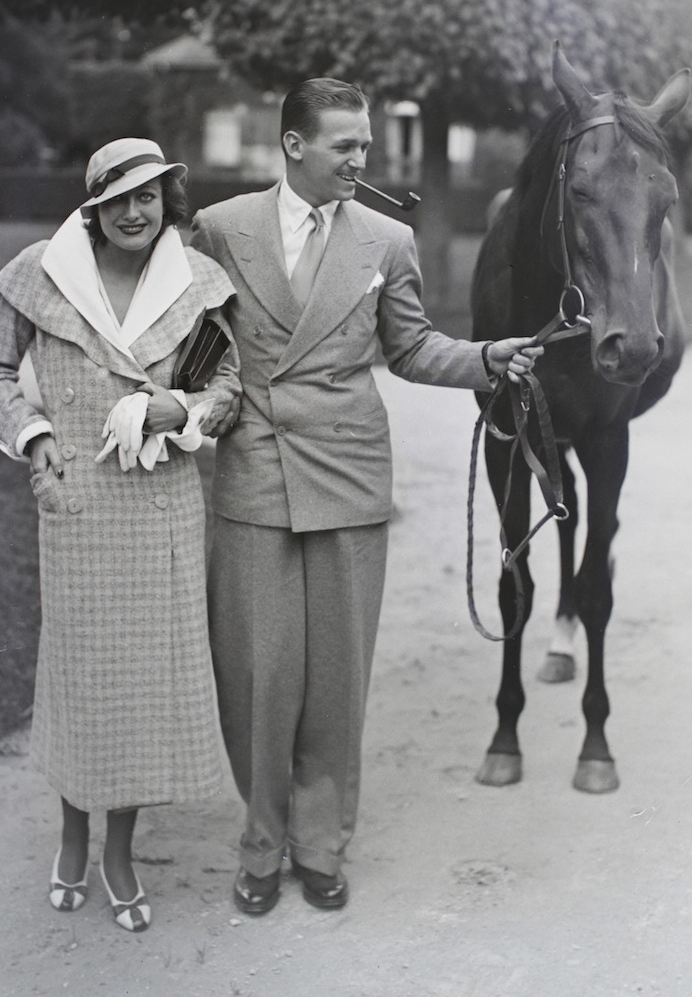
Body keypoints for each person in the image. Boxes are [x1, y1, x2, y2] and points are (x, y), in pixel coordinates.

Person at [190, 78, 543, 915]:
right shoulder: (220, 228)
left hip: (347, 473)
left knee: (336, 678)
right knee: (257, 678)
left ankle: (320, 846)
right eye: (345, 144)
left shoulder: (387, 239)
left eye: (365, 143)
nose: (362, 159)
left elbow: (412, 348)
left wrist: (488, 358)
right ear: (295, 146)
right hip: (256, 473)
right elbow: (195, 346)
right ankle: (262, 842)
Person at [0, 138, 241, 933]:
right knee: (84, 678)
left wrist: (179, 411)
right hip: (79, 506)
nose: (135, 211)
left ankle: (119, 849)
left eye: (149, 195)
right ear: (92, 207)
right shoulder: (41, 272)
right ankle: (70, 831)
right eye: (118, 198)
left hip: (163, 509)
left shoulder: (196, 281)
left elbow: (226, 383)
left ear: (167, 201)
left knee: (142, 689)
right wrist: (34, 435)